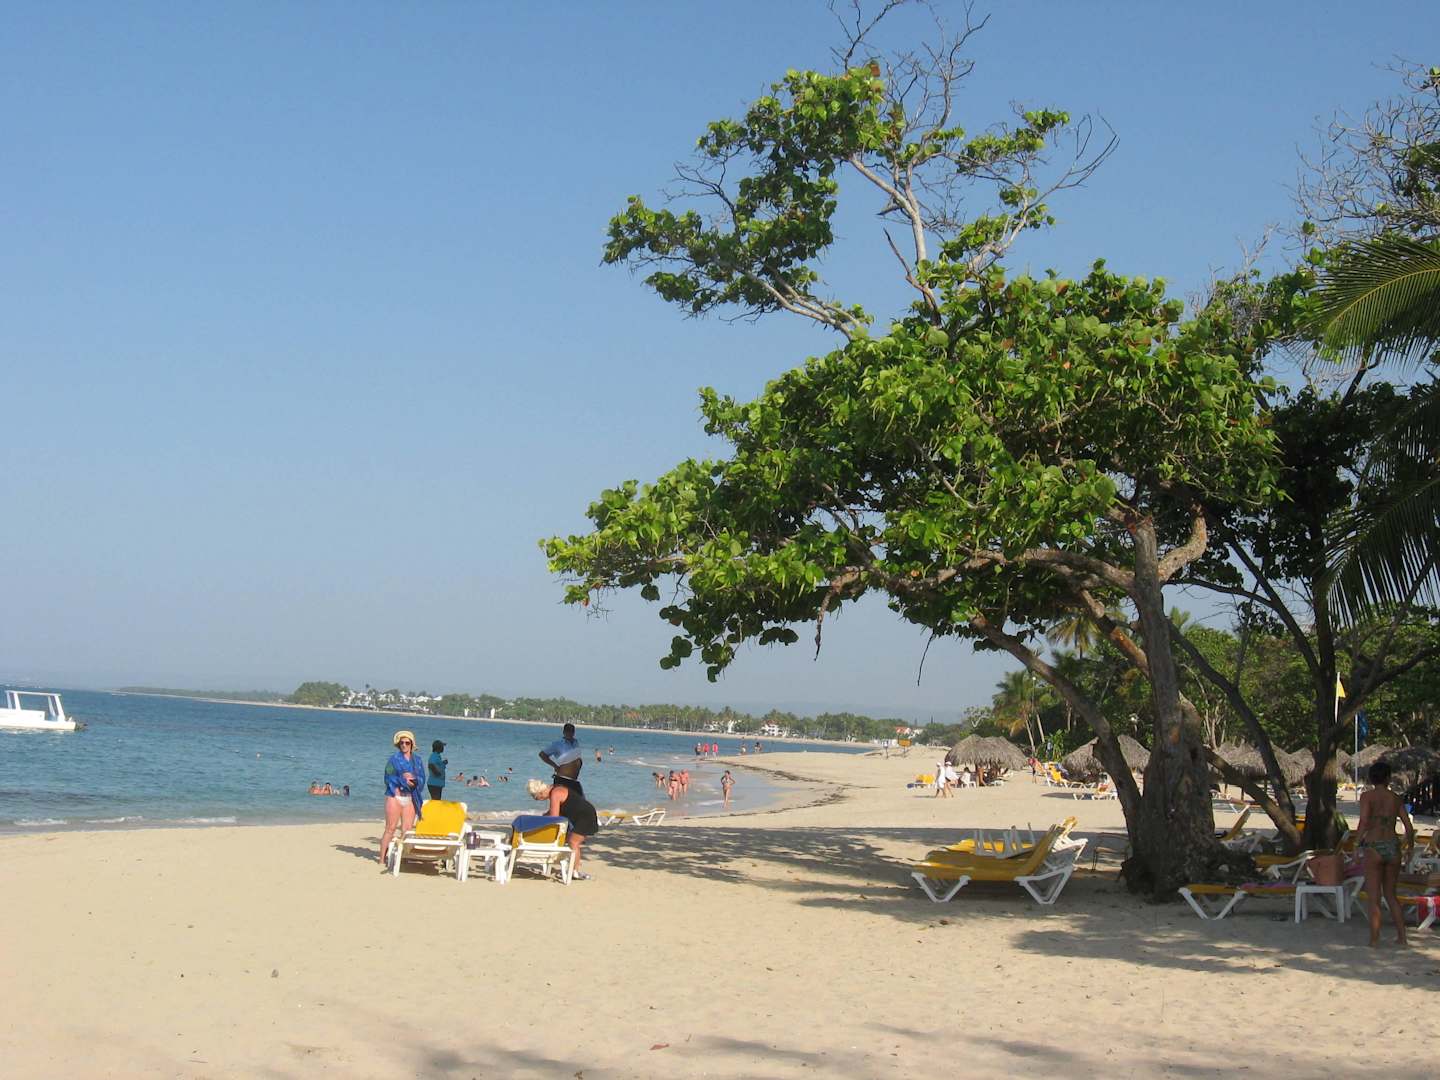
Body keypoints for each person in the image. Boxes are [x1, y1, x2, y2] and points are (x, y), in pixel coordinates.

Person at [1355, 761, 1416, 947]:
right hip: (1392, 846)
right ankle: (1402, 938)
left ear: (1371, 778)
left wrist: (1356, 845)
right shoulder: (1395, 798)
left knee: (1374, 898)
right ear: (1388, 778)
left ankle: (1374, 940)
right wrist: (1410, 848)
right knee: (1391, 895)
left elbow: (1364, 821)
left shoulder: (1367, 796)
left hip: (1374, 846)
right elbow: (1408, 827)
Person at [526, 778, 599, 880]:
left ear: (540, 792)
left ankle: (574, 871)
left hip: (585, 815)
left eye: (536, 797)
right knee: (569, 840)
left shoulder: (555, 793)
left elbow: (554, 818)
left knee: (573, 842)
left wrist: (539, 824)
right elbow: (554, 811)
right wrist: (542, 818)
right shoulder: (554, 790)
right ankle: (574, 867)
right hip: (581, 814)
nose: (537, 799)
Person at [379, 731, 424, 866]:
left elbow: (422, 779)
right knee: (390, 828)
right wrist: (403, 780)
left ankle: (403, 857)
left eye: (407, 743)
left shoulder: (418, 761)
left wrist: (414, 780)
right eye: (401, 743)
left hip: (410, 797)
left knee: (407, 830)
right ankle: (382, 859)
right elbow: (388, 778)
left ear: (411, 744)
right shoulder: (393, 759)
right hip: (395, 796)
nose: (404, 745)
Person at [539, 722, 585, 798]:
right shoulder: (557, 744)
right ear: (564, 732)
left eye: (572, 731)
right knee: (562, 802)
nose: (570, 733)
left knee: (581, 802)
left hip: (574, 780)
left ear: (574, 732)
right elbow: (542, 754)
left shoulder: (576, 743)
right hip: (562, 779)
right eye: (568, 731)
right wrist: (555, 766)